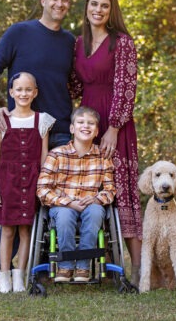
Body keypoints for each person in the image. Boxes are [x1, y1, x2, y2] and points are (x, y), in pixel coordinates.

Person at [0, 0, 75, 287]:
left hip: (59, 130)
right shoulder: (19, 32)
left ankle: (40, 267)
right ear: (43, 0)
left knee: (51, 203)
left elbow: (78, 83)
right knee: (14, 198)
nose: (59, 4)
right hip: (20, 132)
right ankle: (0, 271)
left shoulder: (71, 42)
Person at [69, 0, 143, 285]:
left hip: (115, 124)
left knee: (121, 191)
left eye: (104, 6)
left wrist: (114, 127)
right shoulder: (77, 43)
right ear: (86, 7)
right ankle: (106, 264)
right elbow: (72, 85)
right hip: (86, 121)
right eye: (93, 4)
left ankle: (140, 268)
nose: (98, 10)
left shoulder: (122, 42)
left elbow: (127, 87)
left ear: (111, 11)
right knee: (93, 188)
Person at [0, 72, 54, 293]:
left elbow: (44, 155)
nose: (23, 93)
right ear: (11, 92)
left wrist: (44, 185)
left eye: (28, 89)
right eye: (19, 89)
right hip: (8, 182)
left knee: (26, 230)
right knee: (8, 230)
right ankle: (4, 276)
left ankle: (20, 275)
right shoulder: (3, 121)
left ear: (35, 93)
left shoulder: (42, 119)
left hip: (32, 182)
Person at [36, 106, 116, 282]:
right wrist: (66, 202)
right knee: (64, 216)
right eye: (80, 122)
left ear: (96, 131)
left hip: (91, 205)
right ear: (72, 128)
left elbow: (110, 190)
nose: (85, 126)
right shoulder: (56, 154)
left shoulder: (103, 157)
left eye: (91, 123)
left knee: (96, 212)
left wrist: (96, 198)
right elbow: (42, 189)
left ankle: (83, 267)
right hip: (63, 205)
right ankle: (65, 267)